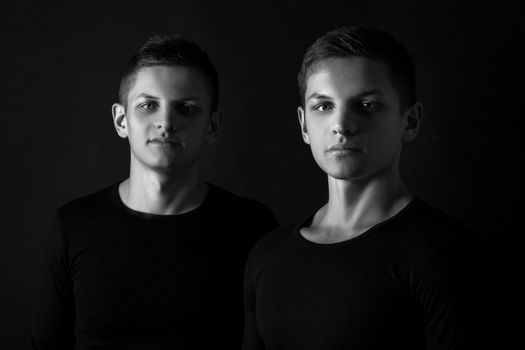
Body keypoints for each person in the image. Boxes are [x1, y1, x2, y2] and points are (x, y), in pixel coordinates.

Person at [243, 26, 489, 349]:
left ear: (410, 121)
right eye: (324, 106)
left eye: (368, 105)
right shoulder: (268, 255)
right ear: (304, 124)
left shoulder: (444, 254)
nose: (342, 125)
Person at [28, 34, 278, 349]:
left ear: (212, 125)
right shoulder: (72, 225)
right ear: (121, 120)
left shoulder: (252, 227)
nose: (166, 122)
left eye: (186, 108)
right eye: (149, 105)